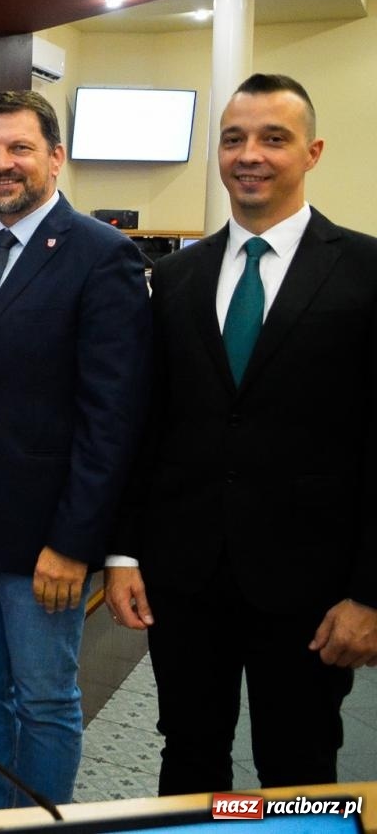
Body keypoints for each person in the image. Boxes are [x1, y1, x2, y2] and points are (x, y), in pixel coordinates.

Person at [105, 74, 377, 793]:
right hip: (185, 574)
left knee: (300, 770)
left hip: (313, 586)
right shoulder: (175, 277)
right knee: (188, 758)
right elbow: (148, 425)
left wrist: (371, 594)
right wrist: (125, 552)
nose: (249, 154)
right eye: (234, 139)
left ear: (313, 152)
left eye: (273, 138)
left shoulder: (367, 271)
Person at [0, 89, 149, 810]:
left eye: (19, 148)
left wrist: (76, 543)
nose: (2, 164)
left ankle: (42, 826)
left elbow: (112, 418)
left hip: (45, 533)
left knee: (45, 697)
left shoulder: (104, 256)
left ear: (55, 156)